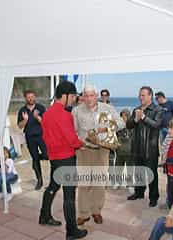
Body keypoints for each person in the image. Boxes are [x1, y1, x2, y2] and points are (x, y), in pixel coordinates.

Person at [39, 81, 88, 239]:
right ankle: (71, 231)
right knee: (69, 195)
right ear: (65, 95)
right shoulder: (65, 115)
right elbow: (72, 139)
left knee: (53, 186)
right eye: (73, 96)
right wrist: (82, 144)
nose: (74, 99)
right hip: (66, 158)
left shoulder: (46, 113)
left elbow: (45, 137)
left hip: (54, 157)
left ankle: (44, 216)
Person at [72, 84, 124, 225]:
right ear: (83, 96)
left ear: (96, 96)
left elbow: (121, 123)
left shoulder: (107, 109)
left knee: (99, 183)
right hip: (84, 151)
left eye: (91, 95)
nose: (89, 99)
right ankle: (83, 213)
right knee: (84, 183)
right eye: (86, 95)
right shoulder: (76, 111)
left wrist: (106, 127)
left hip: (102, 151)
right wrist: (78, 145)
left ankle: (96, 211)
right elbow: (74, 131)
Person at [126, 86, 163, 207]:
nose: (140, 97)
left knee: (152, 174)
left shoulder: (158, 109)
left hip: (150, 148)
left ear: (150, 96)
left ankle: (153, 197)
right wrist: (136, 119)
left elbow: (157, 125)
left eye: (143, 95)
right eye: (139, 95)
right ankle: (139, 192)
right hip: (137, 146)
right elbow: (129, 125)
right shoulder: (136, 109)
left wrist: (143, 117)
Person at [17, 90, 47, 190]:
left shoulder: (40, 108)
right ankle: (40, 180)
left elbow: (46, 122)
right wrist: (25, 120)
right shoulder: (22, 110)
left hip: (41, 136)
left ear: (35, 97)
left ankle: (36, 159)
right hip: (29, 137)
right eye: (28, 97)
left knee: (47, 155)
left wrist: (37, 117)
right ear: (25, 98)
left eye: (32, 96)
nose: (31, 98)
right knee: (35, 159)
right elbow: (19, 126)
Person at [113, 109, 134, 192]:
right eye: (122, 116)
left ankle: (130, 184)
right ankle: (118, 182)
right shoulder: (118, 127)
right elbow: (114, 136)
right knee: (118, 167)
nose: (124, 118)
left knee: (130, 169)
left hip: (129, 151)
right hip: (120, 151)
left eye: (126, 116)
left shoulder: (132, 126)